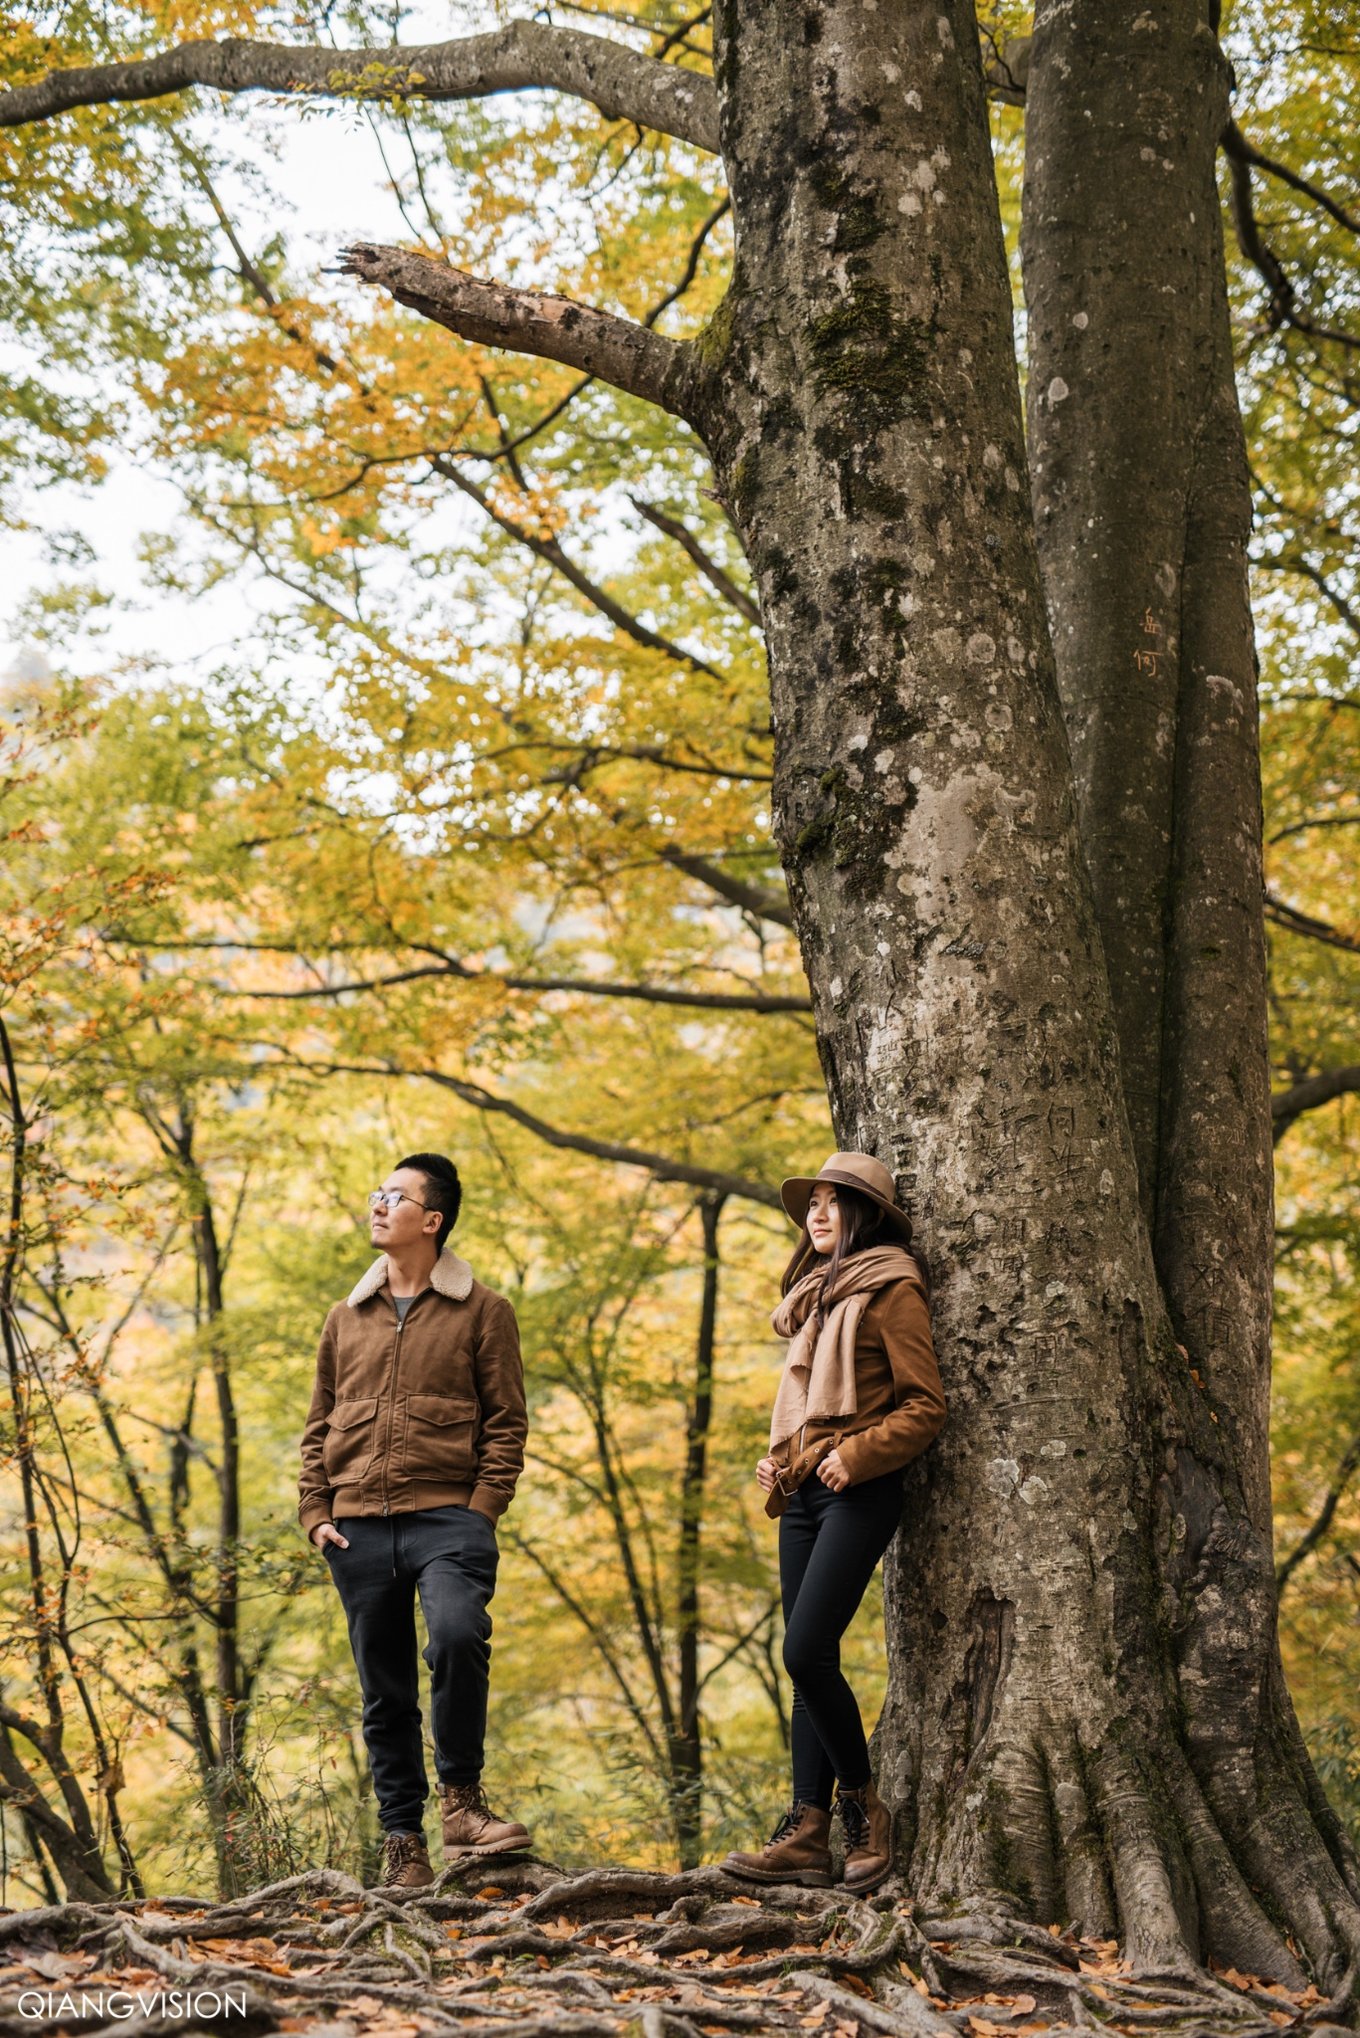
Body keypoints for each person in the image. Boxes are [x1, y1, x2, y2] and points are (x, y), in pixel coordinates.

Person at [298, 1151, 531, 1892]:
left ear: (432, 1220)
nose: (378, 1203)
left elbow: (507, 1424)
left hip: (448, 1520)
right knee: (385, 1692)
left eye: (395, 1196)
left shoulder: (484, 1311)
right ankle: (403, 1842)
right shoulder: (345, 1317)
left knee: (458, 1635)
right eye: (377, 1192)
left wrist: (481, 1512)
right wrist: (315, 1513)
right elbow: (318, 1425)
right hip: (357, 1528)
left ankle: (462, 1806)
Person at [723, 1152, 946, 1893]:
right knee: (804, 1665)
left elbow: (924, 1406)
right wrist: (779, 1461)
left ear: (865, 1215)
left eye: (834, 1202)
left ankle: (862, 1807)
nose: (818, 1214)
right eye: (812, 1203)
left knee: (805, 1650)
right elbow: (806, 1416)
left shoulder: (891, 1290)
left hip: (859, 1491)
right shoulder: (814, 1299)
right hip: (804, 1495)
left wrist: (857, 1454)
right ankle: (806, 1831)